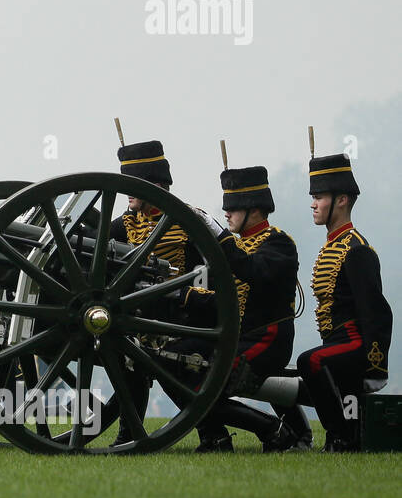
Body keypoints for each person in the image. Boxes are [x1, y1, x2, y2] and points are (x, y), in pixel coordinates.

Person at [181, 165, 310, 451]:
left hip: (267, 339)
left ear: (253, 209)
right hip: (236, 338)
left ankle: (274, 431)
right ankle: (221, 436)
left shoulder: (278, 242)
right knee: (177, 364)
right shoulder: (238, 247)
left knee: (206, 392)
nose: (226, 214)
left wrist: (221, 237)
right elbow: (219, 298)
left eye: (233, 208)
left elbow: (253, 270)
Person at [107, 139, 204, 445]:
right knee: (128, 362)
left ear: (155, 185)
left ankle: (214, 434)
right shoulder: (123, 225)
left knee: (174, 382)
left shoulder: (187, 222)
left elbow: (208, 276)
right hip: (137, 317)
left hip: (179, 317)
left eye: (135, 184)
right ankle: (128, 434)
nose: (128, 192)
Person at [296, 153, 392, 451]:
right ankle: (340, 437)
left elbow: (376, 312)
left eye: (320, 196)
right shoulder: (332, 246)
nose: (313, 203)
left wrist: (376, 365)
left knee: (310, 361)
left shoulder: (357, 249)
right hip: (335, 341)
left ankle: (340, 435)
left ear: (341, 200)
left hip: (354, 342)